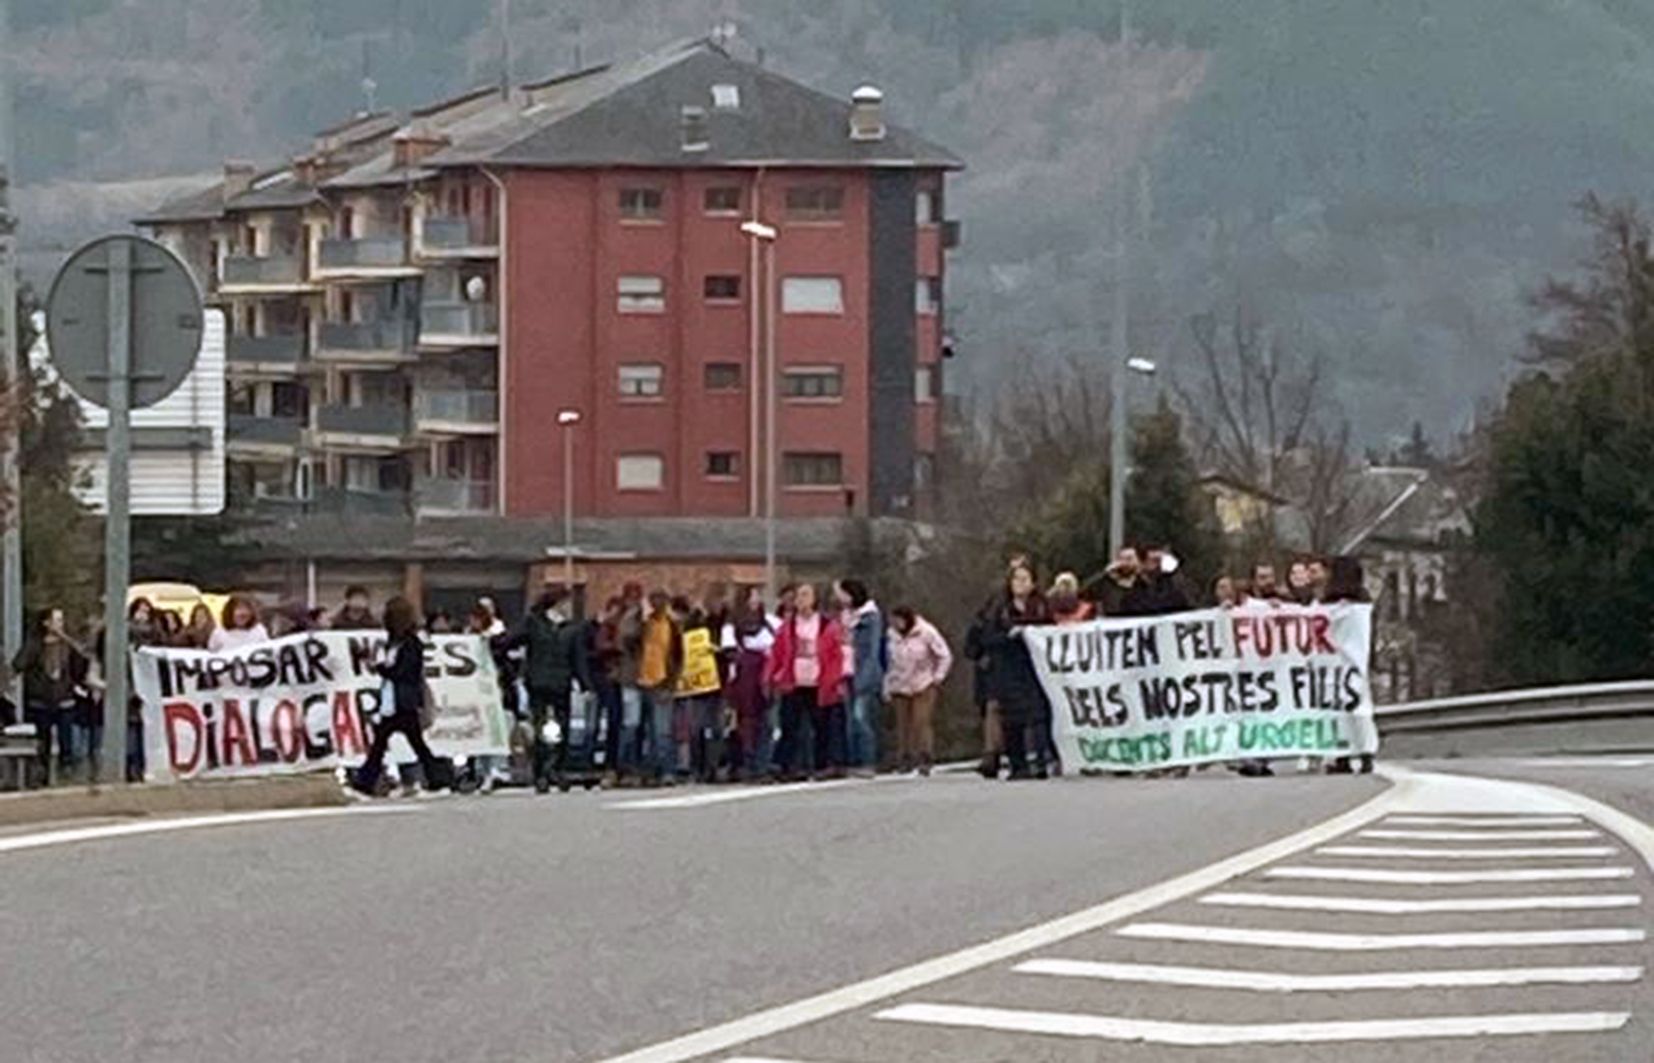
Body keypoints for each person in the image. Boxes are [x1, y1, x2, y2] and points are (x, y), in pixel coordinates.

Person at [352, 597, 447, 796]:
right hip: (393, 701)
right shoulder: (394, 643)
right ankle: (439, 778)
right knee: (404, 744)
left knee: (386, 745)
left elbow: (405, 673)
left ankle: (364, 783)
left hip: (404, 701)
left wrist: (379, 669)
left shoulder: (412, 644)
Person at [511, 585, 592, 793]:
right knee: (539, 728)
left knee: (562, 728)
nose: (570, 607)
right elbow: (511, 640)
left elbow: (578, 659)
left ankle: (558, 768)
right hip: (538, 682)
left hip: (561, 683)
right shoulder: (534, 623)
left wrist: (585, 684)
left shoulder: (572, 629)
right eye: (567, 603)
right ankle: (540, 772)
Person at [979, 562, 1053, 779]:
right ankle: (1017, 764)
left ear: (1033, 583)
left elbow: (1052, 634)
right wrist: (1009, 636)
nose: (1019, 584)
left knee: (1037, 715)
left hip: (1034, 668)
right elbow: (986, 638)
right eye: (1015, 579)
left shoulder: (1041, 607)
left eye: (1024, 579)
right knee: (1011, 719)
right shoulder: (999, 609)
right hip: (1007, 669)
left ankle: (1040, 762)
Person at [766, 583, 847, 780]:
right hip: (794, 682)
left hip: (819, 682)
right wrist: (772, 676)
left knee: (822, 726)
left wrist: (835, 678)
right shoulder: (788, 627)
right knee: (790, 725)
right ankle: (787, 766)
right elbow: (777, 653)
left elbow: (837, 654)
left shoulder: (827, 625)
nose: (801, 600)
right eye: (799, 596)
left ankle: (824, 765)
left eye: (806, 595)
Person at [12, 608, 87, 783]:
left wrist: (78, 684)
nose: (60, 624)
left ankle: (66, 772)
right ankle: (42, 775)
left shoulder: (67, 645)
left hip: (65, 699)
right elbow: (19, 664)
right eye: (56, 620)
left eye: (61, 620)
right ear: (46, 623)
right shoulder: (35, 644)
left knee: (67, 741)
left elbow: (81, 663)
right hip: (41, 701)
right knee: (43, 741)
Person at [884, 606, 953, 775]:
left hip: (923, 682)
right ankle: (904, 758)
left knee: (921, 721)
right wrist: (886, 685)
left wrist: (938, 676)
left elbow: (944, 655)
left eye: (899, 620)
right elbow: (888, 661)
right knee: (902, 724)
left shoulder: (926, 632)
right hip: (899, 683)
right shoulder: (891, 635)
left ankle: (925, 756)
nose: (896, 624)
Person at [722, 588, 776, 780]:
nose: (756, 600)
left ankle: (763, 763)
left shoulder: (769, 621)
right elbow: (729, 651)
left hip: (766, 676)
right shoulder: (731, 625)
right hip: (744, 679)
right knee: (745, 723)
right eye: (753, 596)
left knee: (766, 722)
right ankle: (746, 763)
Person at [837, 578, 886, 774]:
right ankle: (854, 760)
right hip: (846, 672)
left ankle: (868, 761)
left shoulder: (870, 617)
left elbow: (871, 652)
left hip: (863, 675)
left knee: (861, 718)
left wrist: (864, 679)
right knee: (850, 721)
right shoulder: (845, 616)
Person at [672, 597, 724, 781]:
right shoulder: (684, 634)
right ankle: (702, 767)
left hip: (713, 683)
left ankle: (710, 766)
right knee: (699, 729)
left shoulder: (717, 628)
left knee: (711, 729)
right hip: (697, 685)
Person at [636, 590, 682, 784]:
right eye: (654, 601)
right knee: (642, 730)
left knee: (662, 730)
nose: (657, 605)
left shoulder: (671, 625)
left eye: (662, 601)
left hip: (662, 681)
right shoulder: (641, 623)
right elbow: (628, 640)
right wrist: (642, 620)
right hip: (639, 680)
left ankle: (666, 770)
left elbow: (679, 655)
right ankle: (647, 771)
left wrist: (672, 682)